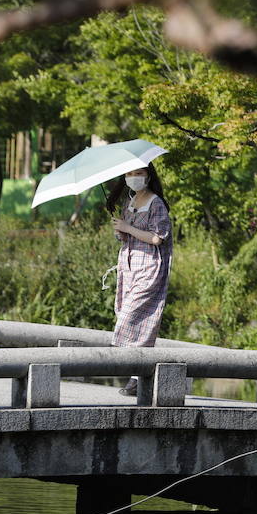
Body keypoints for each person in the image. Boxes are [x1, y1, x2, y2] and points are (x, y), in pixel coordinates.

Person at [107, 163, 172, 397]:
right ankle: (138, 376)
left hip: (149, 268)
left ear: (148, 175)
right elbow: (128, 236)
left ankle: (136, 371)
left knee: (132, 318)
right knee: (127, 314)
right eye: (129, 173)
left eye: (139, 173)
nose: (134, 178)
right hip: (130, 266)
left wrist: (128, 228)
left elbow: (157, 238)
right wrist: (121, 230)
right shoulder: (130, 201)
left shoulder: (156, 203)